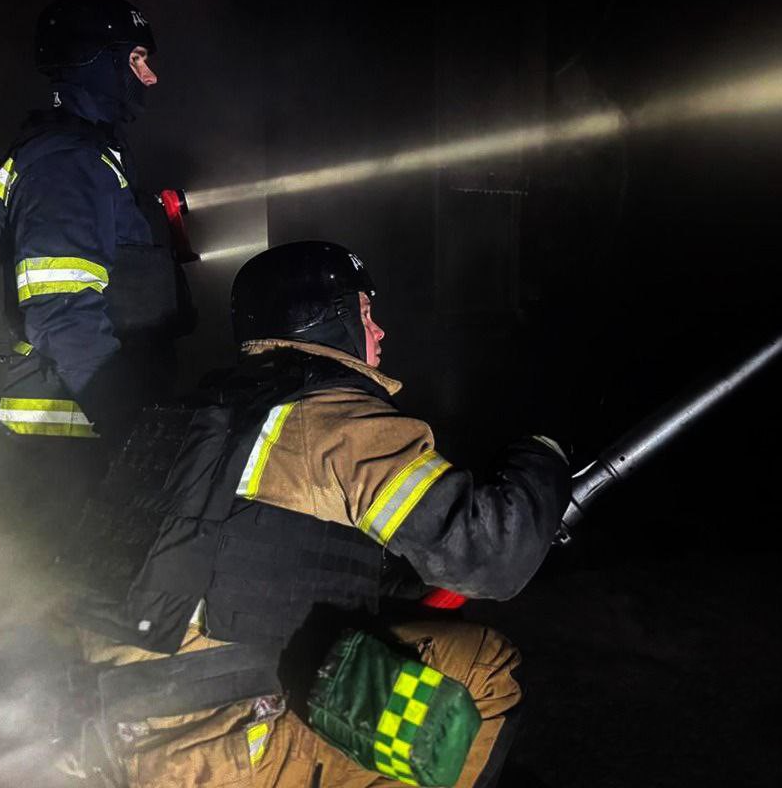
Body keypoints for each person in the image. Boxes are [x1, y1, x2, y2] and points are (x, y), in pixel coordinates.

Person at [63, 241, 570, 787]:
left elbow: (241, 560)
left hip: (117, 725)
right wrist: (544, 458)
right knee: (486, 668)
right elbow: (490, 558)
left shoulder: (193, 415)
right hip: (231, 744)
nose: (379, 333)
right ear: (328, 321)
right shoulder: (334, 417)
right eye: (367, 314)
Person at [0, 0, 191, 443]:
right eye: (136, 59)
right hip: (66, 440)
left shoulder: (89, 155)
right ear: (95, 62)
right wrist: (135, 430)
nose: (151, 77)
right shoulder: (66, 163)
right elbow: (60, 310)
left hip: (81, 428)